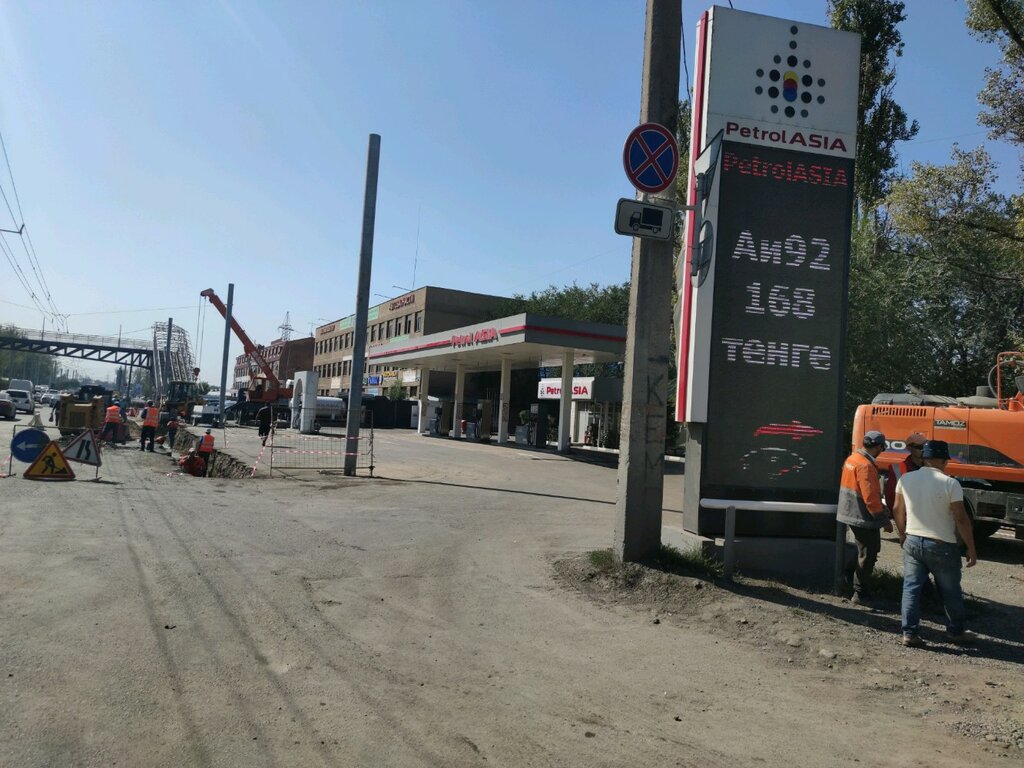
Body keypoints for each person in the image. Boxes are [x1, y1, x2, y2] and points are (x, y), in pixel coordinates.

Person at [892, 440, 978, 648]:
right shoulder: (950, 483)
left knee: (911, 588)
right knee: (950, 591)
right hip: (942, 544)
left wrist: (903, 534)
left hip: (913, 540)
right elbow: (961, 518)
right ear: (940, 460)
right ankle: (955, 632)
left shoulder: (905, 479)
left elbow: (896, 509)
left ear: (924, 458)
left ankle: (909, 633)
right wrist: (971, 548)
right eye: (946, 460)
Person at [836, 429, 891, 606]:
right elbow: (870, 498)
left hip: (848, 512)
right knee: (869, 553)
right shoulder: (866, 466)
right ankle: (860, 593)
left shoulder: (852, 459)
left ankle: (851, 582)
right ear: (879, 447)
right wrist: (883, 520)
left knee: (862, 551)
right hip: (861, 516)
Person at [884, 432, 927, 511]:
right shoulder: (897, 469)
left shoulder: (931, 467)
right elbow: (890, 497)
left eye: (925, 446)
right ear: (909, 448)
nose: (923, 449)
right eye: (919, 447)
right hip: (907, 516)